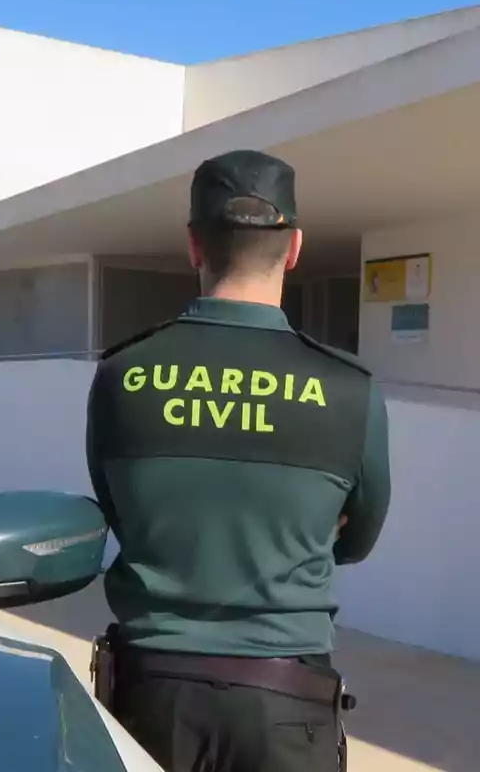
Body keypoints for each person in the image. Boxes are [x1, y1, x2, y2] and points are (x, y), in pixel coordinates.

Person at [85, 149, 391, 772]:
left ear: (194, 246)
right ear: (296, 246)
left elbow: (121, 516)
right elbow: (356, 540)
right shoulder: (350, 390)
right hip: (286, 712)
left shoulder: (123, 375)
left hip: (150, 701)